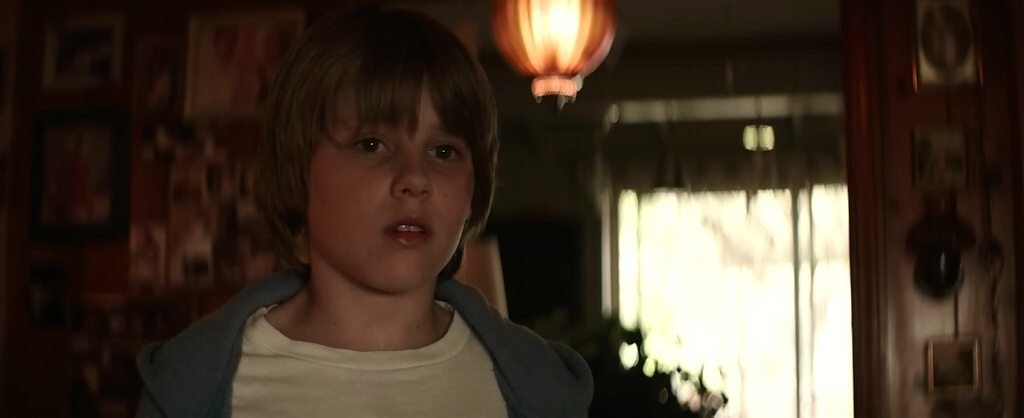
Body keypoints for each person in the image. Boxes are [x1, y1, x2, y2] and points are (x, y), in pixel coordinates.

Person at [135, 6, 593, 418]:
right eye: (371, 144)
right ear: (298, 169)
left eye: (443, 151)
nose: (415, 178)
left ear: (474, 188)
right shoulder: (195, 390)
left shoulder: (535, 392)